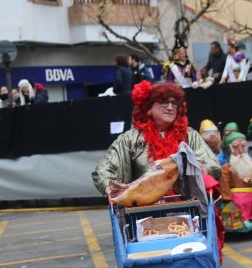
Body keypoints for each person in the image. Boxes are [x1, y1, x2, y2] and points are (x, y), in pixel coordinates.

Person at [92, 81, 221, 196]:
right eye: (164, 101)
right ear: (149, 107)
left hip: (188, 210)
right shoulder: (130, 139)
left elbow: (214, 165)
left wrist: (203, 169)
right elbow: (102, 171)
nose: (170, 107)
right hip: (144, 213)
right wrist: (111, 187)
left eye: (174, 103)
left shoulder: (189, 135)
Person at [219, 132, 252, 231]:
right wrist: (227, 199)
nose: (240, 150)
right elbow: (224, 184)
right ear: (230, 148)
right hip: (239, 194)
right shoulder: (227, 168)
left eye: (243, 145)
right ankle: (244, 220)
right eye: (236, 146)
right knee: (242, 200)